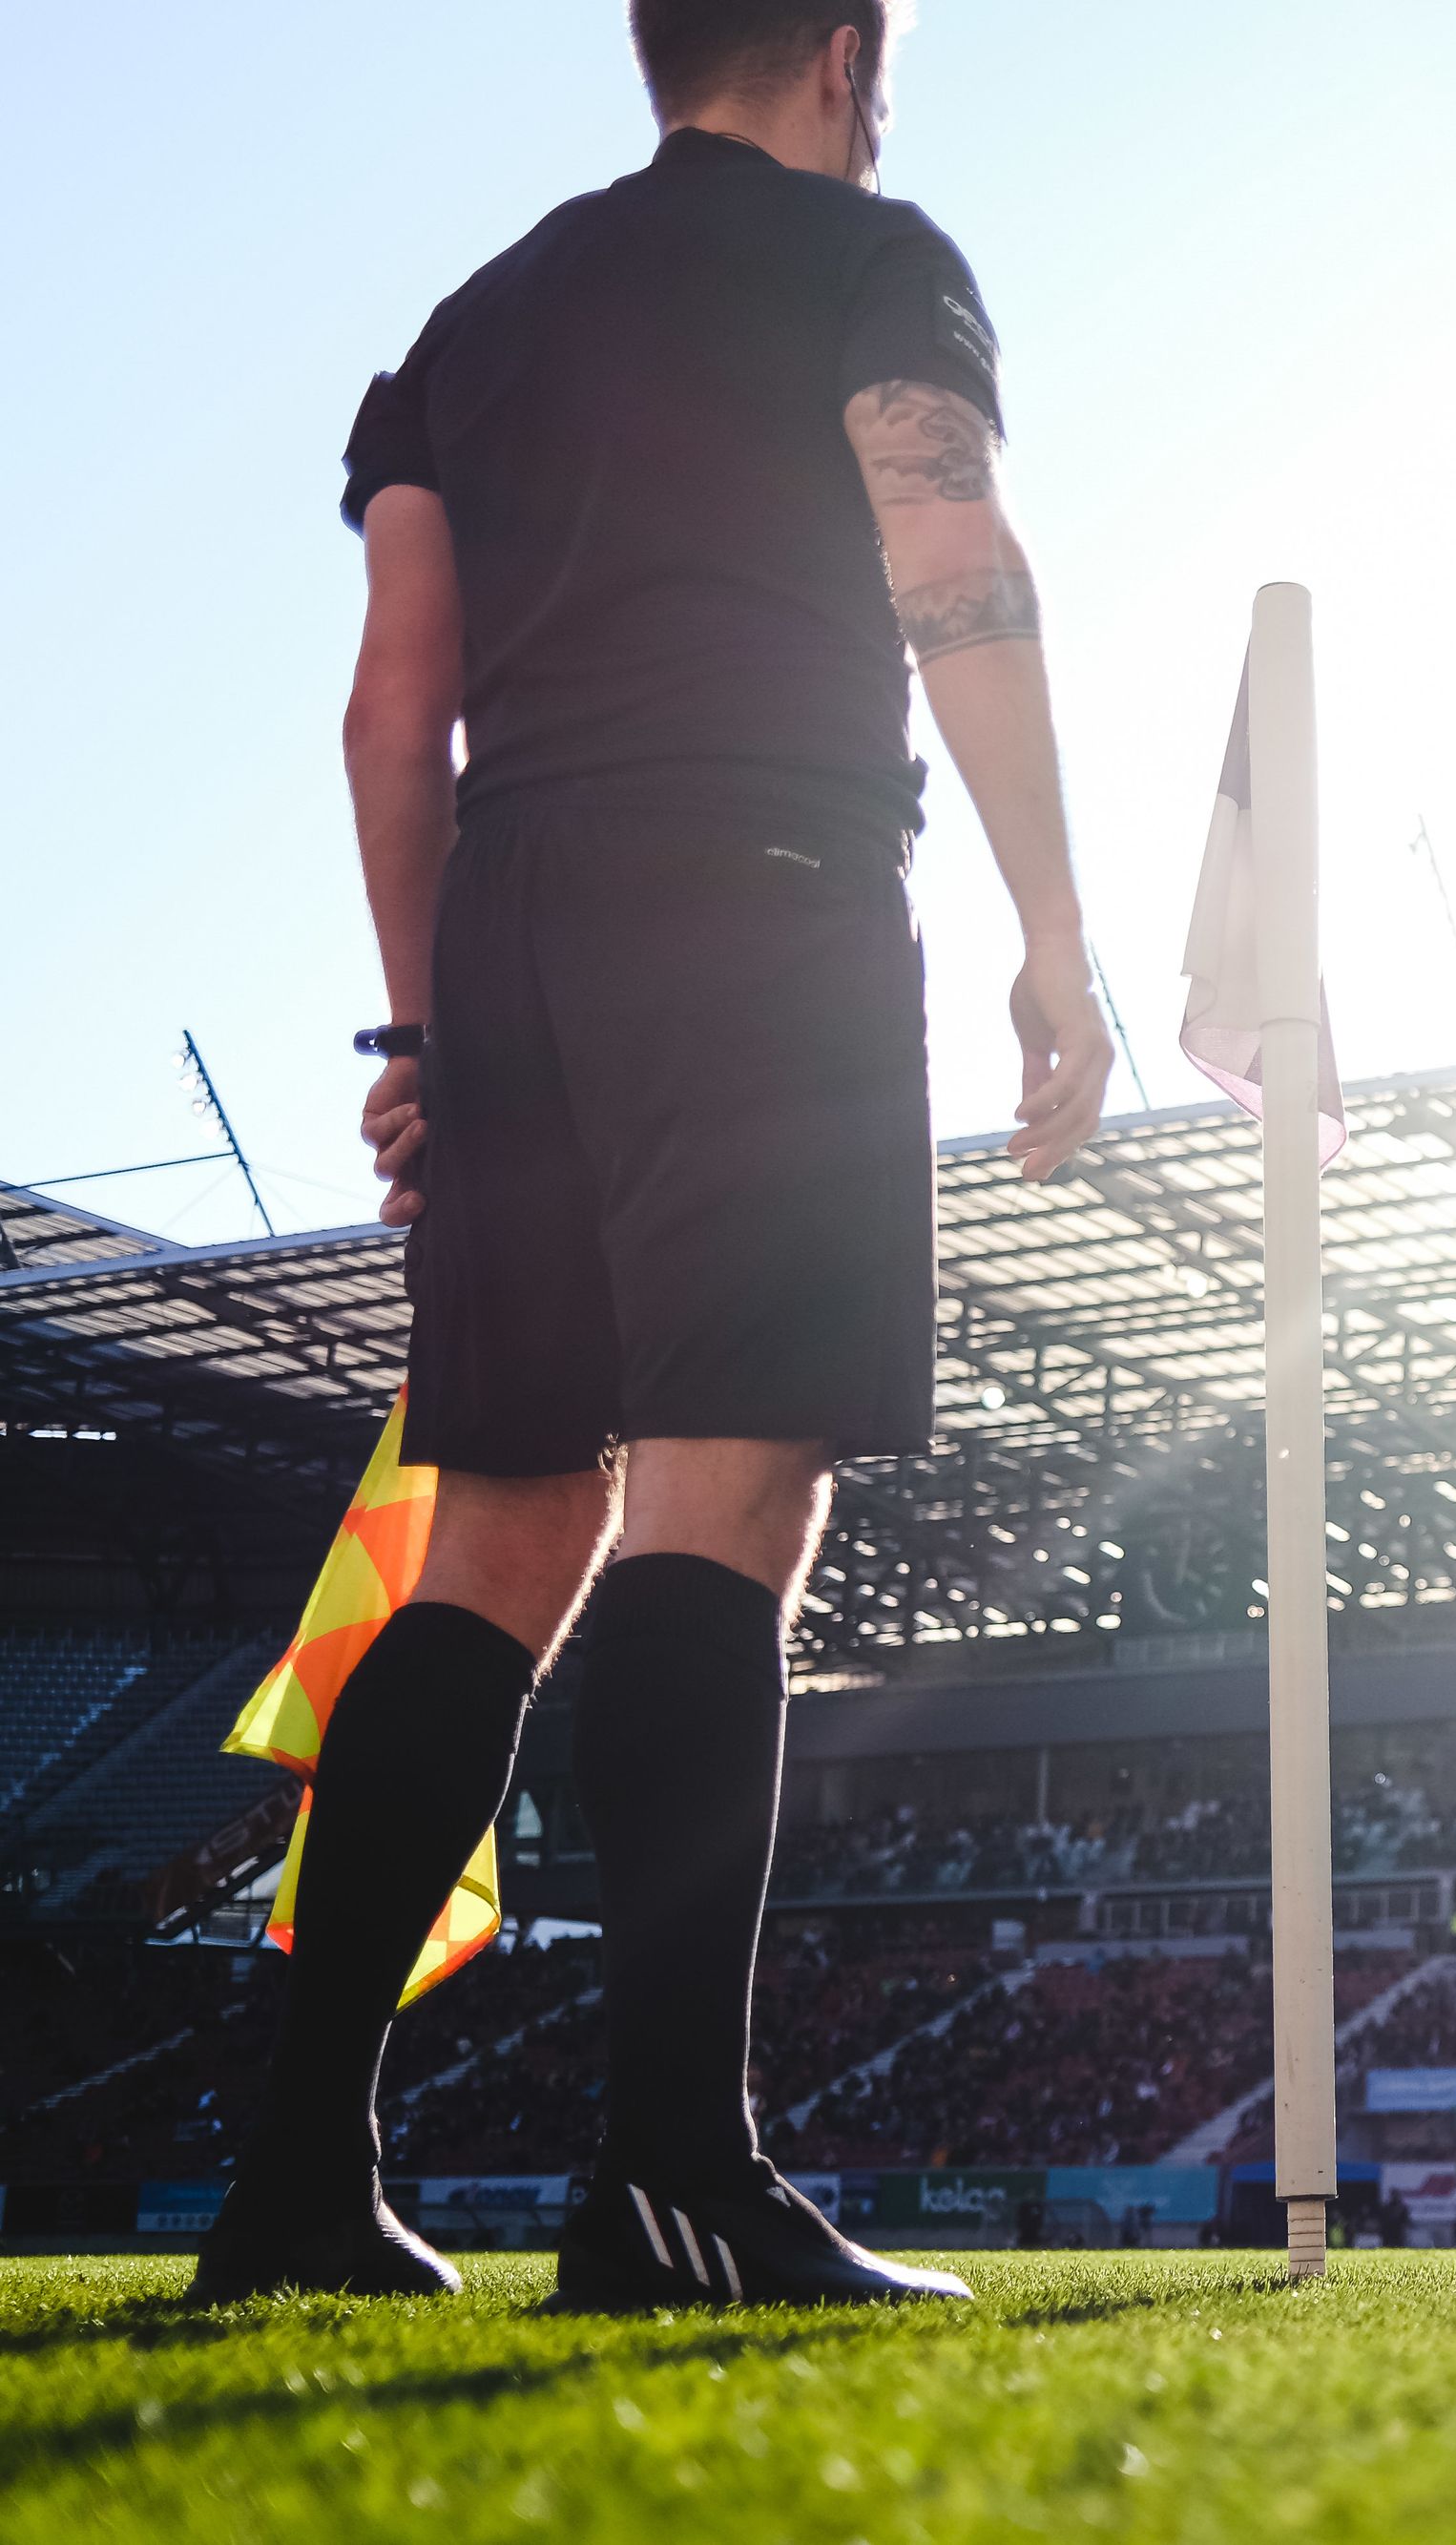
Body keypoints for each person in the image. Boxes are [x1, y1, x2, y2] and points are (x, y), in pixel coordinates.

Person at [194, 0, 1108, 2307]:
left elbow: (395, 707)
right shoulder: (869, 257)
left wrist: (429, 1018)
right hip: (766, 885)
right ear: (838, 46)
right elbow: (950, 551)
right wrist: (1056, 932)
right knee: (723, 1500)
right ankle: (671, 2184)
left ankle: (298, 2186)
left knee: (498, 1529)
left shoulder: (474, 325)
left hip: (517, 912)